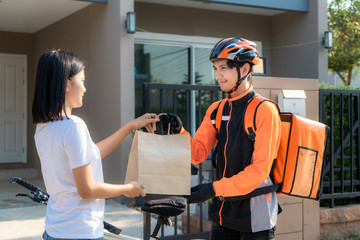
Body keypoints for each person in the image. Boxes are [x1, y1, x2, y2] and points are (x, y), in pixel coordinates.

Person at [160, 37, 281, 240]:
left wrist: (213, 188)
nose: (218, 75)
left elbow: (259, 171)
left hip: (255, 215)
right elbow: (197, 153)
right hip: (223, 212)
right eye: (215, 69)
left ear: (243, 69)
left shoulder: (264, 110)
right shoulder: (217, 110)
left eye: (223, 68)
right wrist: (178, 131)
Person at [32, 49, 159, 240]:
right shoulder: (73, 125)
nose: (84, 88)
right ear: (67, 83)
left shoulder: (44, 128)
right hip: (81, 233)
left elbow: (91, 154)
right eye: (82, 81)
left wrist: (131, 126)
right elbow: (87, 190)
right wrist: (128, 188)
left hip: (55, 230)